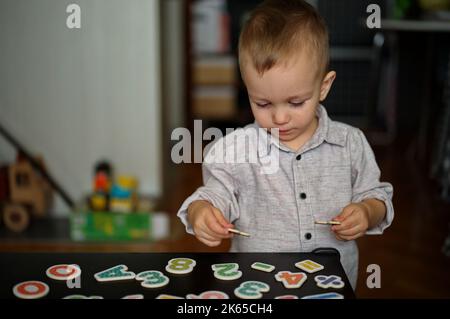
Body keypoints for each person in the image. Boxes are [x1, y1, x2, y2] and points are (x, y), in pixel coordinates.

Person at [177, 0, 394, 290]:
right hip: (256, 285)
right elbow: (215, 194)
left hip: (330, 286)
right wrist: (202, 212)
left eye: (295, 102)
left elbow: (377, 196)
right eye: (262, 103)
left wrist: (368, 211)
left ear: (323, 87)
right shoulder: (235, 149)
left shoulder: (350, 143)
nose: (279, 117)